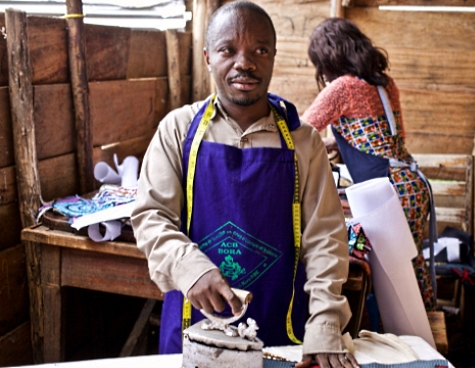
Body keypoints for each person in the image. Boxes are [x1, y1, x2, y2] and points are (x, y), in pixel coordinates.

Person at [131, 2, 360, 367]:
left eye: (259, 50)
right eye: (228, 50)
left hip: (283, 335)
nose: (245, 63)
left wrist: (326, 320)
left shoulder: (304, 143)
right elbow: (150, 217)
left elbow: (325, 240)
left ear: (272, 57)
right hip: (193, 330)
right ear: (208, 56)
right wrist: (192, 269)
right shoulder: (178, 130)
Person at [301, 18, 435, 311]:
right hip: (411, 185)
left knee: (393, 279)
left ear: (329, 58)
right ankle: (426, 331)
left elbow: (299, 132)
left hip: (389, 193)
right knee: (410, 267)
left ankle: (407, 342)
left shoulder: (343, 89)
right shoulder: (384, 83)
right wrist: (336, 144)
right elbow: (380, 138)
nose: (320, 72)